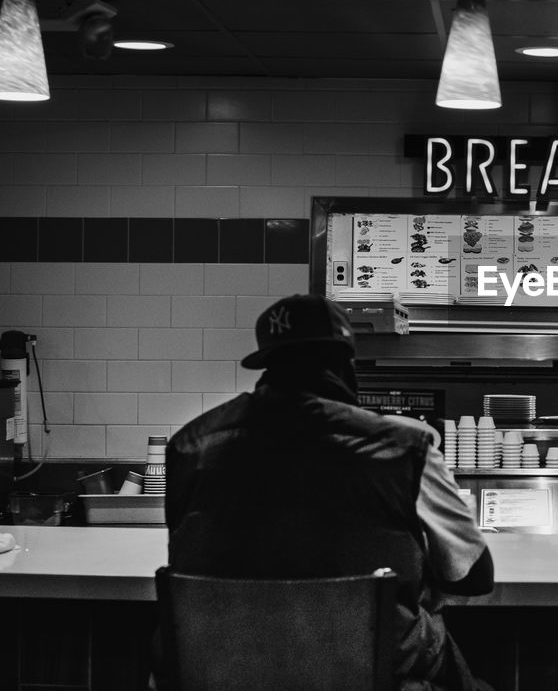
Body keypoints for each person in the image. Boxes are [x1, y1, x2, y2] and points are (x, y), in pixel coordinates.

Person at [162, 294, 492, 691]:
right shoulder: (403, 447)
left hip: (218, 669)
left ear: (267, 365)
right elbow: (472, 577)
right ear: (344, 365)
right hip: (376, 672)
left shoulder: (189, 446)